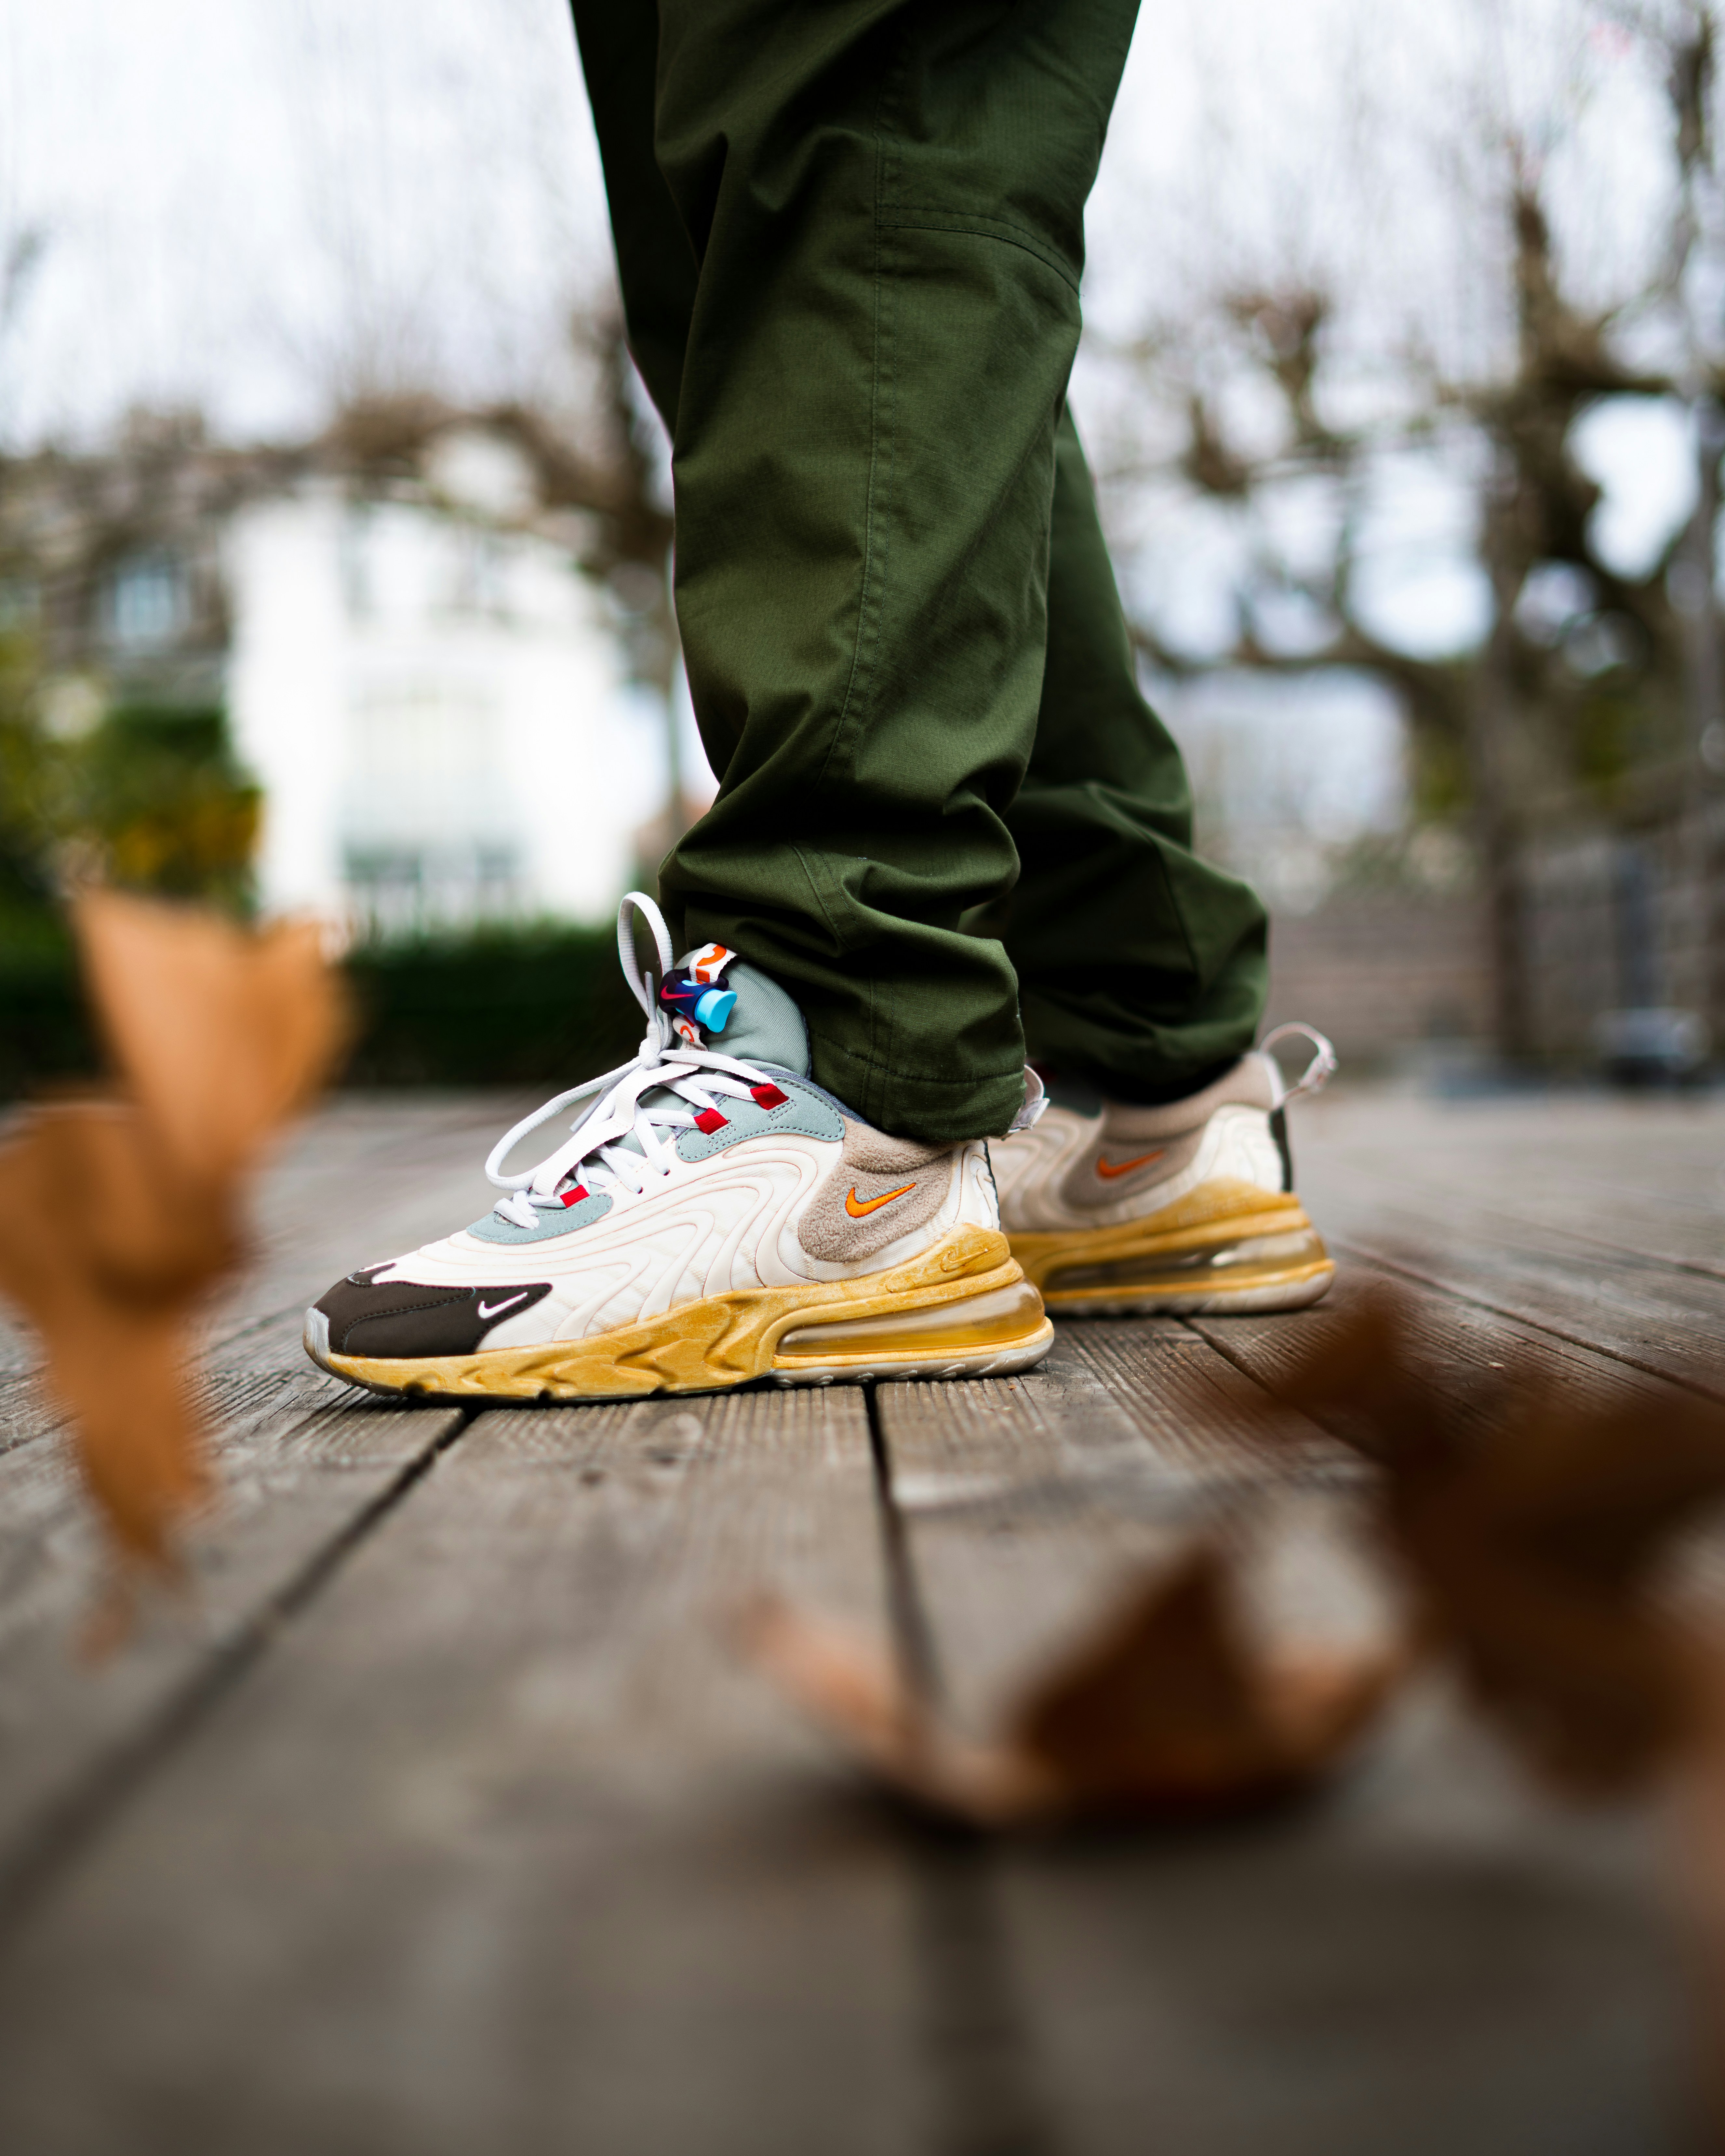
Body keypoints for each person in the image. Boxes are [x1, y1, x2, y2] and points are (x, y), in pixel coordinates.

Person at [303, 0, 1333, 1404]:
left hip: (859, 1033)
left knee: (862, 118)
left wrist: (858, 992)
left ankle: (849, 1086)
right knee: (766, 264)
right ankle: (1154, 1098)